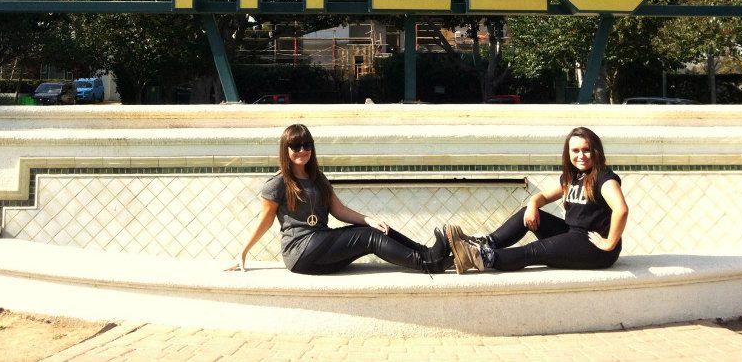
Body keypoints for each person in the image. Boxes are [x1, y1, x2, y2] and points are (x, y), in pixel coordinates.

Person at [227, 123, 450, 275]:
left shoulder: (317, 177)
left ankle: (427, 253)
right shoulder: (277, 183)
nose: (302, 150)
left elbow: (339, 210)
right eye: (296, 146)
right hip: (300, 252)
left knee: (378, 228)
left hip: (319, 243)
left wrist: (368, 219)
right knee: (369, 238)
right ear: (285, 150)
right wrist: (243, 252)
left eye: (307, 145)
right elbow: (265, 221)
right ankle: (429, 263)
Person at [445, 126, 628, 273]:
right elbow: (543, 196)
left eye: (586, 150)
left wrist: (610, 242)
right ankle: (485, 243)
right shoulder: (573, 178)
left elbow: (621, 209)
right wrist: (533, 204)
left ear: (595, 151)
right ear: (568, 153)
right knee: (527, 212)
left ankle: (479, 256)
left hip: (594, 247)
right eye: (576, 150)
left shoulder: (604, 177)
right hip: (573, 234)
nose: (581, 155)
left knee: (535, 250)